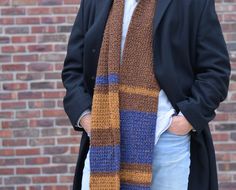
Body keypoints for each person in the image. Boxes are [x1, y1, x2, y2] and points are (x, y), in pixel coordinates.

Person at [61, 0, 231, 189]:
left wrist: (185, 121)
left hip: (166, 141)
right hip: (104, 139)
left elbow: (215, 71)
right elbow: (73, 69)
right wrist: (87, 119)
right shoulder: (95, 2)